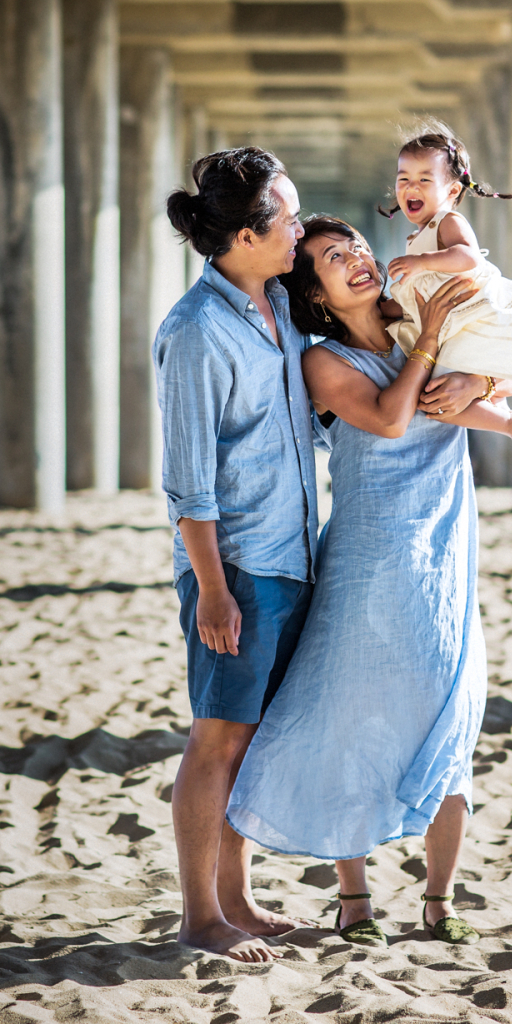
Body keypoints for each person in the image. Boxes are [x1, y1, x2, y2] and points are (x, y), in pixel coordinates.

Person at [227, 215, 512, 947]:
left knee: (450, 714)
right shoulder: (322, 362)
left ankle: (440, 899)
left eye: (357, 245)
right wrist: (430, 341)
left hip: (444, 553)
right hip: (367, 560)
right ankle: (354, 898)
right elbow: (393, 419)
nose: (358, 258)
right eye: (334, 258)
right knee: (347, 715)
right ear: (318, 294)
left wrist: (483, 379)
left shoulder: (419, 326)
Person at [154, 147, 322, 964]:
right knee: (216, 737)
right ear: (248, 235)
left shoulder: (284, 307)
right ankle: (198, 916)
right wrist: (213, 589)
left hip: (294, 557)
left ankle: (238, 897)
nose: (299, 226)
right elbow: (188, 482)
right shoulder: (193, 331)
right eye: (287, 216)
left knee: (251, 739)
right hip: (236, 568)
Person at [380, 121, 512, 501]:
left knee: (439, 403)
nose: (411, 187)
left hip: (474, 318)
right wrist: (387, 306)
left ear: (453, 190)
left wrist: (422, 263)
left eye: (425, 179)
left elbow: (468, 257)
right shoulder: (417, 238)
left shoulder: (447, 223)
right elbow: (416, 303)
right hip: (462, 325)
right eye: (403, 177)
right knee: (483, 400)